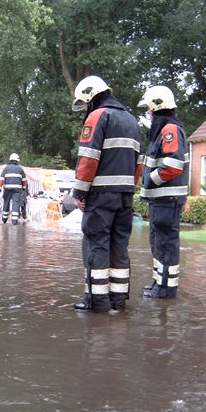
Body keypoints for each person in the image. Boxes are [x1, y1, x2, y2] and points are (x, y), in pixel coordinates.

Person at [70, 75, 142, 312]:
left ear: (90, 97)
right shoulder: (132, 120)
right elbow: (139, 163)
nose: (85, 109)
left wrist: (80, 193)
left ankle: (97, 301)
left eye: (84, 103)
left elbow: (88, 159)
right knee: (119, 246)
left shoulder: (98, 116)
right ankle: (118, 301)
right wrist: (128, 187)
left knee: (96, 245)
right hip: (125, 196)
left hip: (101, 196)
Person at [137, 85, 189, 299]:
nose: (148, 114)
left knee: (166, 243)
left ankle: (166, 288)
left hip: (167, 198)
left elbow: (173, 165)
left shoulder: (170, 130)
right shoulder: (163, 131)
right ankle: (159, 282)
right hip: (161, 199)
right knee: (158, 242)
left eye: (149, 109)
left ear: (157, 107)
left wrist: (150, 180)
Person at [0, 153, 27, 225]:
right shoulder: (20, 168)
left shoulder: (6, 168)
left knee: (6, 202)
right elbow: (24, 180)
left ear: (10, 160)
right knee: (16, 203)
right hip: (17, 189)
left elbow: (1, 179)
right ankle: (14, 221)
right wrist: (24, 188)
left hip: (7, 188)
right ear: (17, 160)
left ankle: (4, 219)